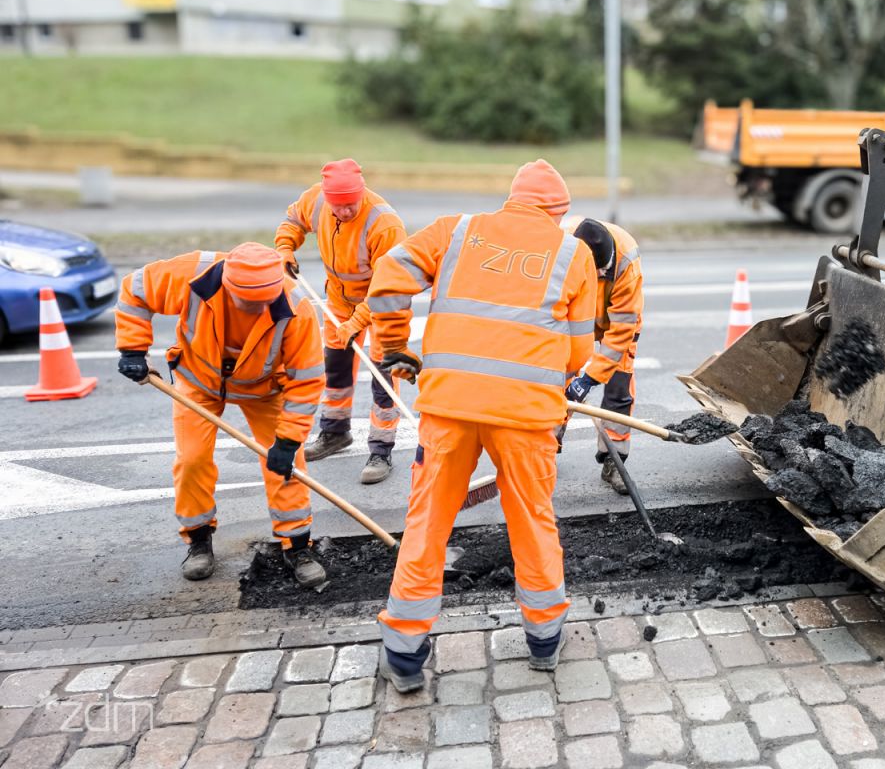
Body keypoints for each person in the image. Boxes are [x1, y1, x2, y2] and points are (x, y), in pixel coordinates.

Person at [368, 159, 597, 692]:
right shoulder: (573, 253)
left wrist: (395, 343)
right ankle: (544, 641)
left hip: (449, 408)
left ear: (511, 200)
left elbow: (388, 276)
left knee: (427, 524)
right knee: (532, 523)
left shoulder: (457, 230)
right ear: (557, 213)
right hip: (525, 416)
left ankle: (403, 655)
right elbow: (578, 352)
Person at [114, 243, 328, 587]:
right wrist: (132, 349)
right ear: (228, 286)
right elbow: (135, 289)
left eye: (265, 303)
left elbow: (307, 380)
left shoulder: (296, 308)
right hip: (199, 380)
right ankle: (198, 540)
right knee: (192, 460)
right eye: (249, 303)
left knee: (286, 464)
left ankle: (297, 545)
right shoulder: (192, 276)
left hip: (264, 389)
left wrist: (289, 440)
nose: (258, 310)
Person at [275, 159, 409, 484]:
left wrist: (357, 321)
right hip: (338, 299)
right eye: (339, 206)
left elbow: (387, 287)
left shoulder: (384, 224)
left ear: (361, 194)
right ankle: (335, 432)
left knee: (382, 376)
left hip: (384, 306)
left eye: (352, 204)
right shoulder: (317, 200)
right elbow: (293, 220)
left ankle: (381, 450)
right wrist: (284, 248)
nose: (346, 211)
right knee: (336, 368)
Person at [563, 217, 644, 494]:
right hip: (573, 320)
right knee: (556, 382)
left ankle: (614, 461)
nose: (598, 276)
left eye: (602, 272)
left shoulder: (626, 260)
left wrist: (589, 379)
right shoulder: (561, 247)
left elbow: (622, 329)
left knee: (619, 388)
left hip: (616, 320)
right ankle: (544, 451)